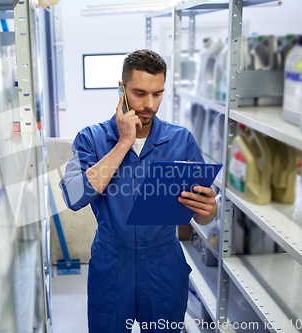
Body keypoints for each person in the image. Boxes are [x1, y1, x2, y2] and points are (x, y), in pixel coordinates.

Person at [59, 49, 217, 332]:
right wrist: (123, 143)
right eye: (140, 93)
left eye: (158, 94)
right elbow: (73, 197)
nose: (149, 104)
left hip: (164, 264)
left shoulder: (180, 140)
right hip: (112, 265)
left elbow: (202, 217)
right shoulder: (92, 138)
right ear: (121, 89)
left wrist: (209, 211)